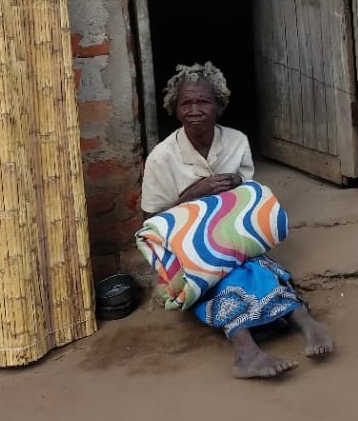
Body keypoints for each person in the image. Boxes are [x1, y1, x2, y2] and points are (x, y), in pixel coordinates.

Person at [139, 62, 333, 379]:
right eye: (186, 103)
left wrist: (240, 187)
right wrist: (193, 194)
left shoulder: (236, 141)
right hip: (184, 250)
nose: (194, 110)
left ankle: (306, 322)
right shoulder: (162, 157)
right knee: (218, 277)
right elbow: (150, 222)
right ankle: (245, 351)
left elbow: (249, 202)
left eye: (203, 101)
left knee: (258, 266)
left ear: (219, 106)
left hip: (229, 235)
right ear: (175, 109)